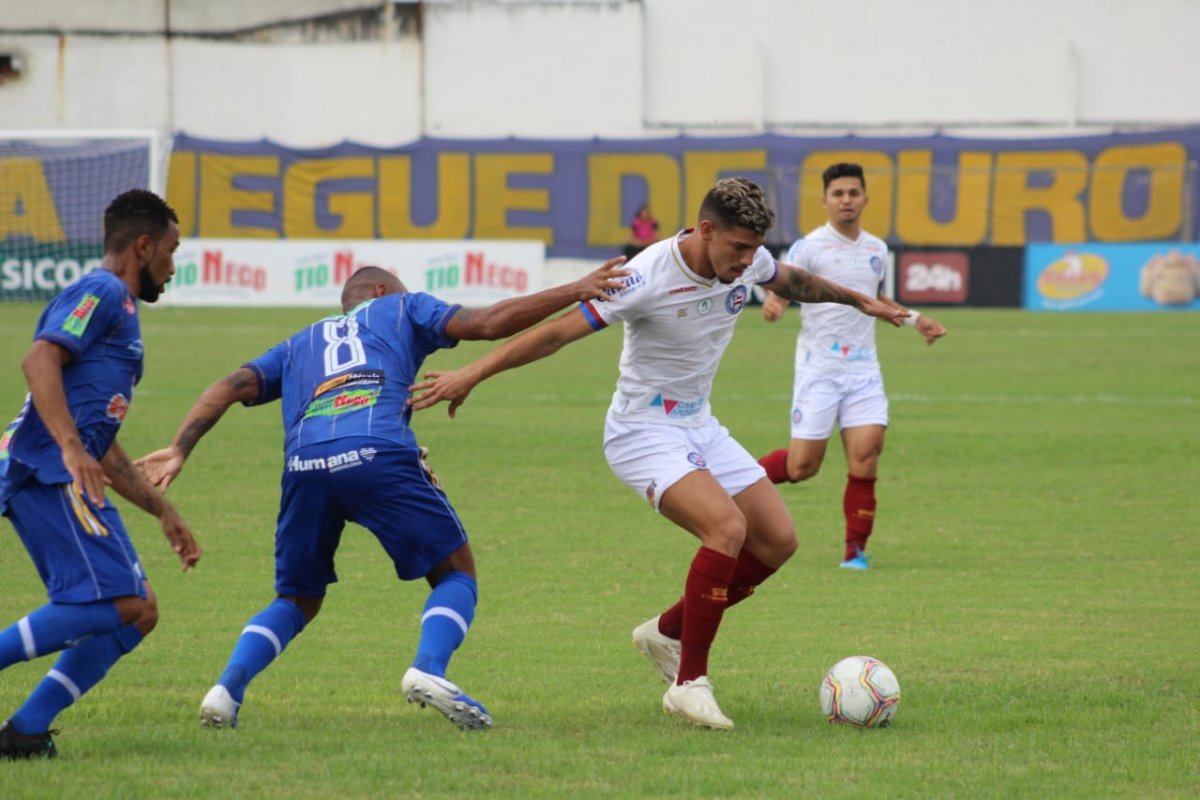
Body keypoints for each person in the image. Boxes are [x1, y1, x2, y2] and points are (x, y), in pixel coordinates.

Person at [408, 177, 909, 731]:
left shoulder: (749, 258)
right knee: (726, 529)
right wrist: (473, 372)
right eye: (737, 249)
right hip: (642, 430)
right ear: (705, 230)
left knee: (778, 540)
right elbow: (557, 335)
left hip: (699, 424)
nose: (748, 263)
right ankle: (689, 683)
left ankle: (667, 631)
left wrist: (858, 299)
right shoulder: (647, 275)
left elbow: (794, 280)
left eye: (753, 250)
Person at [134, 258, 629, 732]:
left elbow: (232, 384)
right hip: (377, 452)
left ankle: (225, 690)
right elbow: (489, 322)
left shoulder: (299, 342)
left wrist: (179, 448)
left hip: (304, 465)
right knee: (456, 573)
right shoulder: (402, 307)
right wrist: (574, 288)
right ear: (381, 291)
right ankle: (428, 668)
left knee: (297, 597)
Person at [0, 189, 202, 760]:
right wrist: (68, 448)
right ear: (143, 245)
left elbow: (102, 443)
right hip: (45, 471)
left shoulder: (121, 309)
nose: (172, 263)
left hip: (62, 470)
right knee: (120, 604)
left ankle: (26, 732)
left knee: (140, 611)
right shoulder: (103, 291)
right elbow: (39, 358)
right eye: (170, 249)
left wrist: (165, 511)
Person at [757, 162, 947, 570]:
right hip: (818, 370)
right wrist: (775, 303)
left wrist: (916, 320)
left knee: (866, 455)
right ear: (825, 200)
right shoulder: (808, 248)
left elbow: (875, 298)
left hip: (863, 371)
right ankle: (733, 482)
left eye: (853, 193)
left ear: (864, 198)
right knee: (801, 466)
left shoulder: (877, 249)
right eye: (838, 194)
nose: (846, 200)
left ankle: (854, 551)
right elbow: (785, 287)